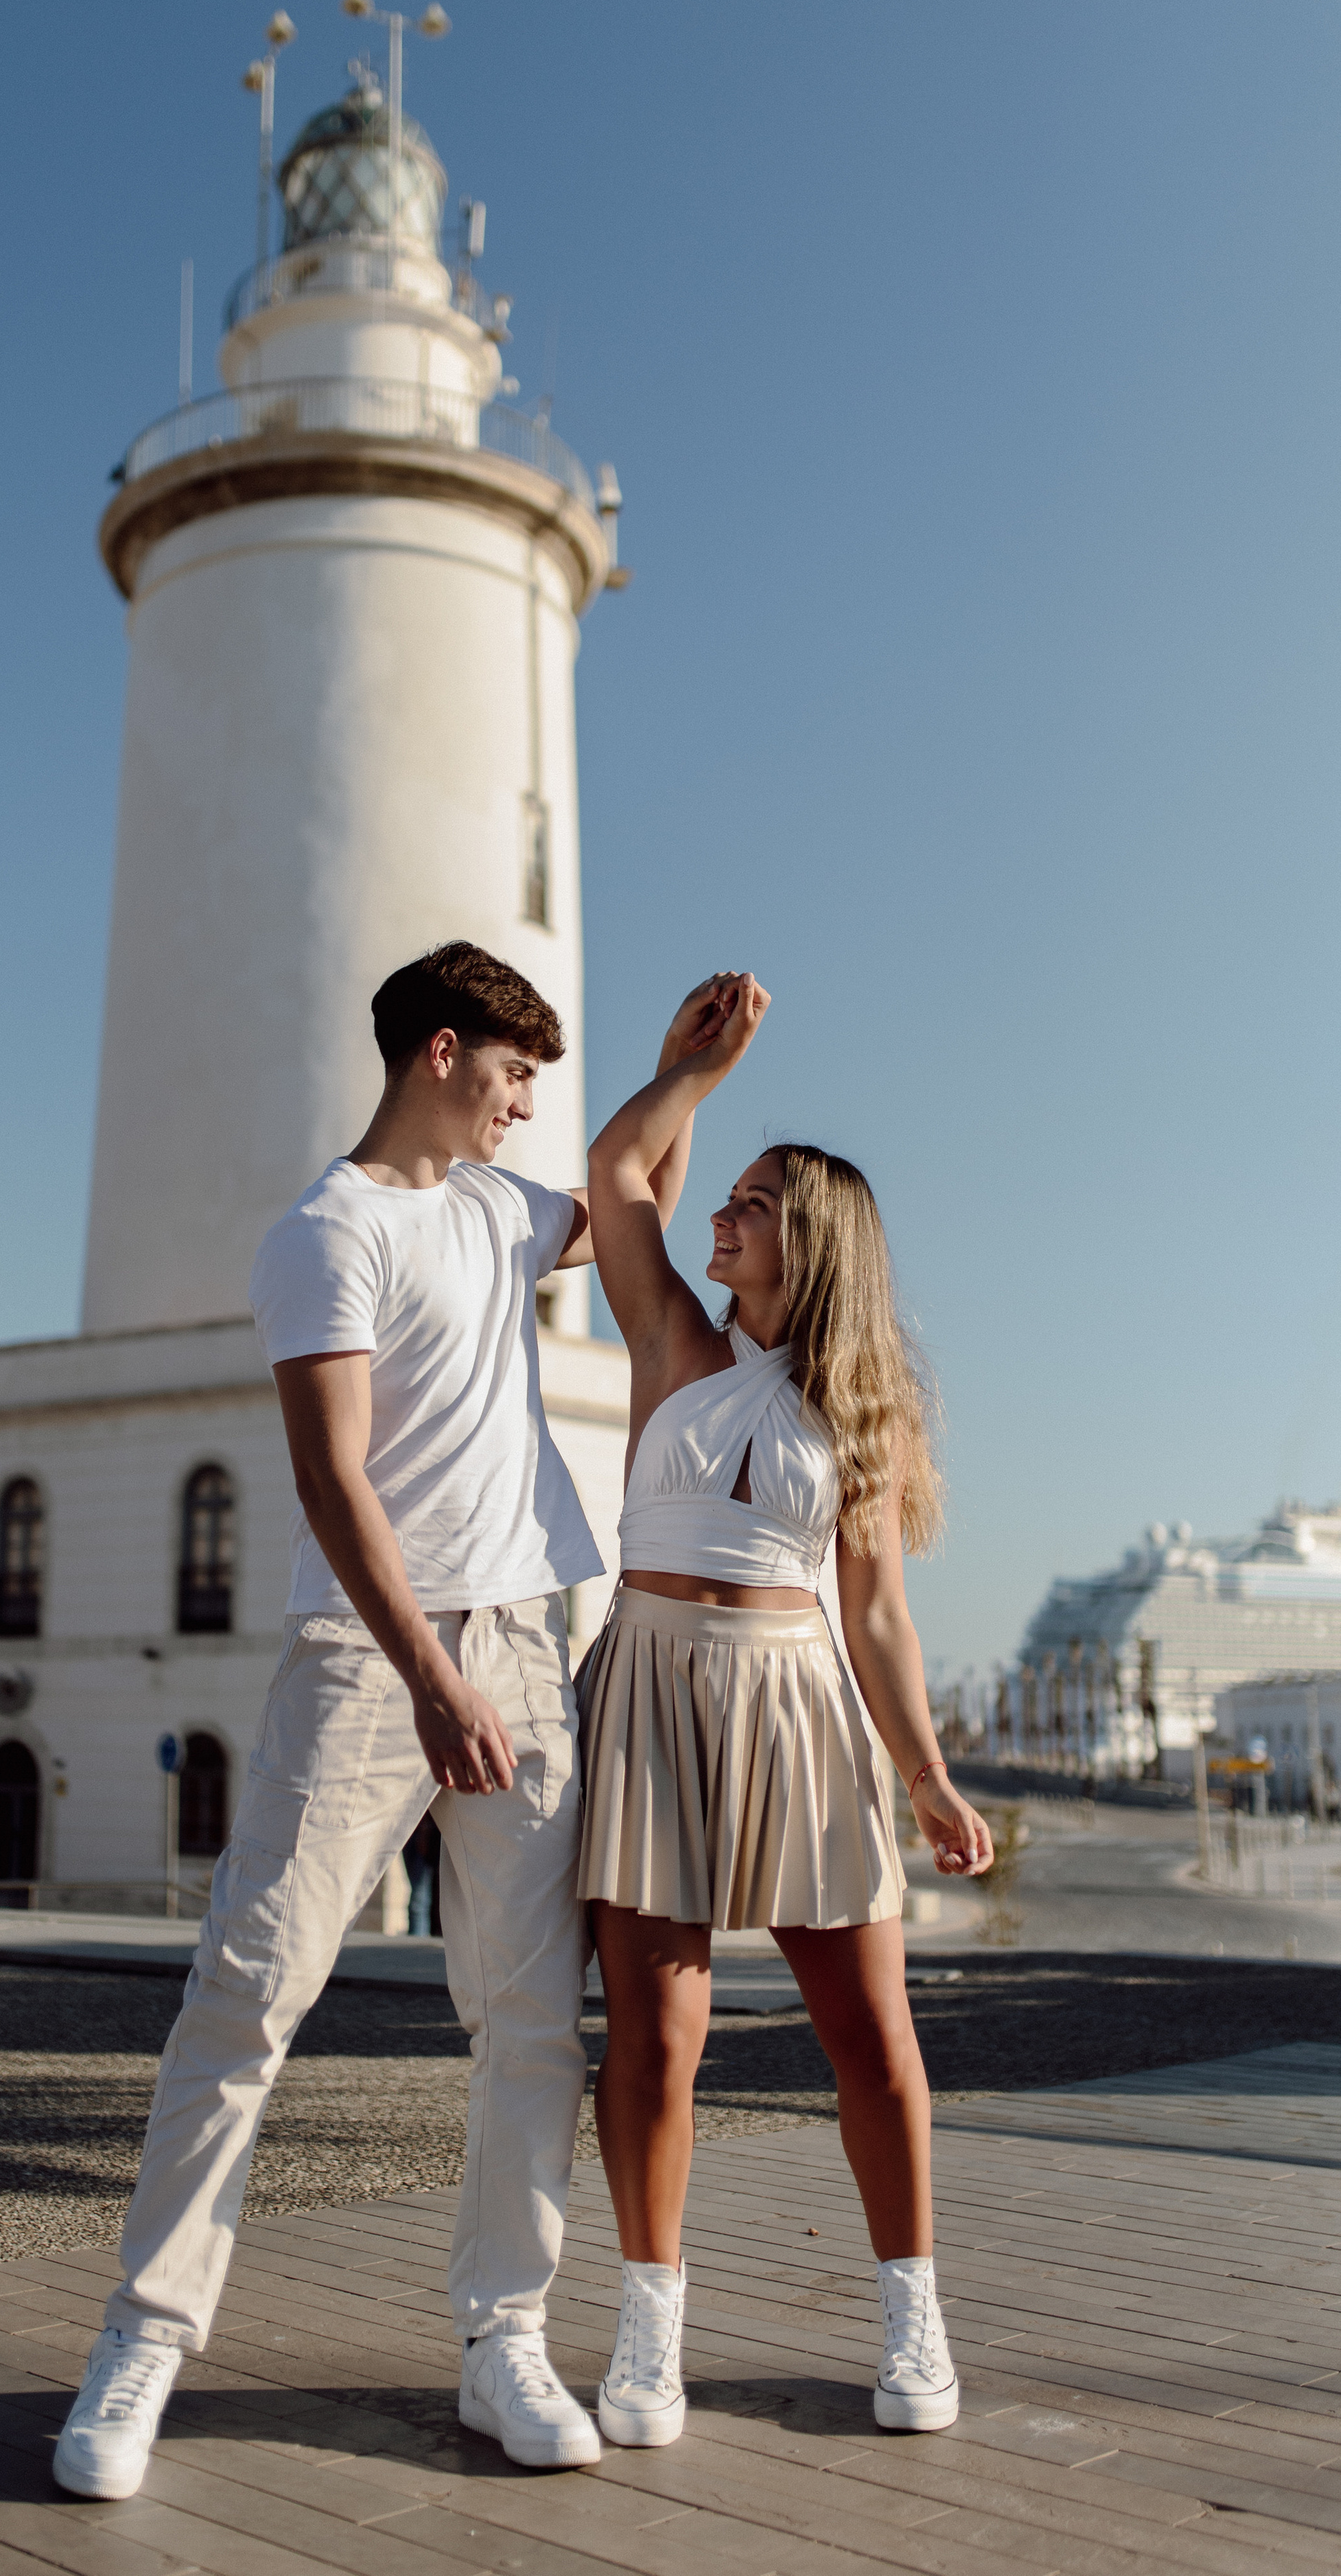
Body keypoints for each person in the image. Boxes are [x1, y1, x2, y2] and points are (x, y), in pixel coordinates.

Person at [54, 941, 697, 2498]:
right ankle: (143, 2340)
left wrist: (687, 1077)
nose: (523, 1102)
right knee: (247, 1992)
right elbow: (332, 1480)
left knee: (531, 2018)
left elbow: (625, 1192)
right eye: (507, 1072)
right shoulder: (321, 1234)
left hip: (531, 1645)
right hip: (367, 1659)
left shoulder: (495, 1208)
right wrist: (427, 1678)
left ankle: (504, 2339)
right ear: (433, 1052)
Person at [576, 970, 993, 2451]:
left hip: (803, 1708)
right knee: (653, 2037)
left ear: (808, 1240)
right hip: (650, 1690)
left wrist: (930, 1778)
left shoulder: (859, 1408)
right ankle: (644, 2331)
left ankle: (910, 2311)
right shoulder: (672, 1347)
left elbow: (874, 1610)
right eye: (728, 1194)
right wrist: (685, 1070)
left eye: (751, 1200)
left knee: (870, 2038)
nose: (722, 1212)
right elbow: (613, 1173)